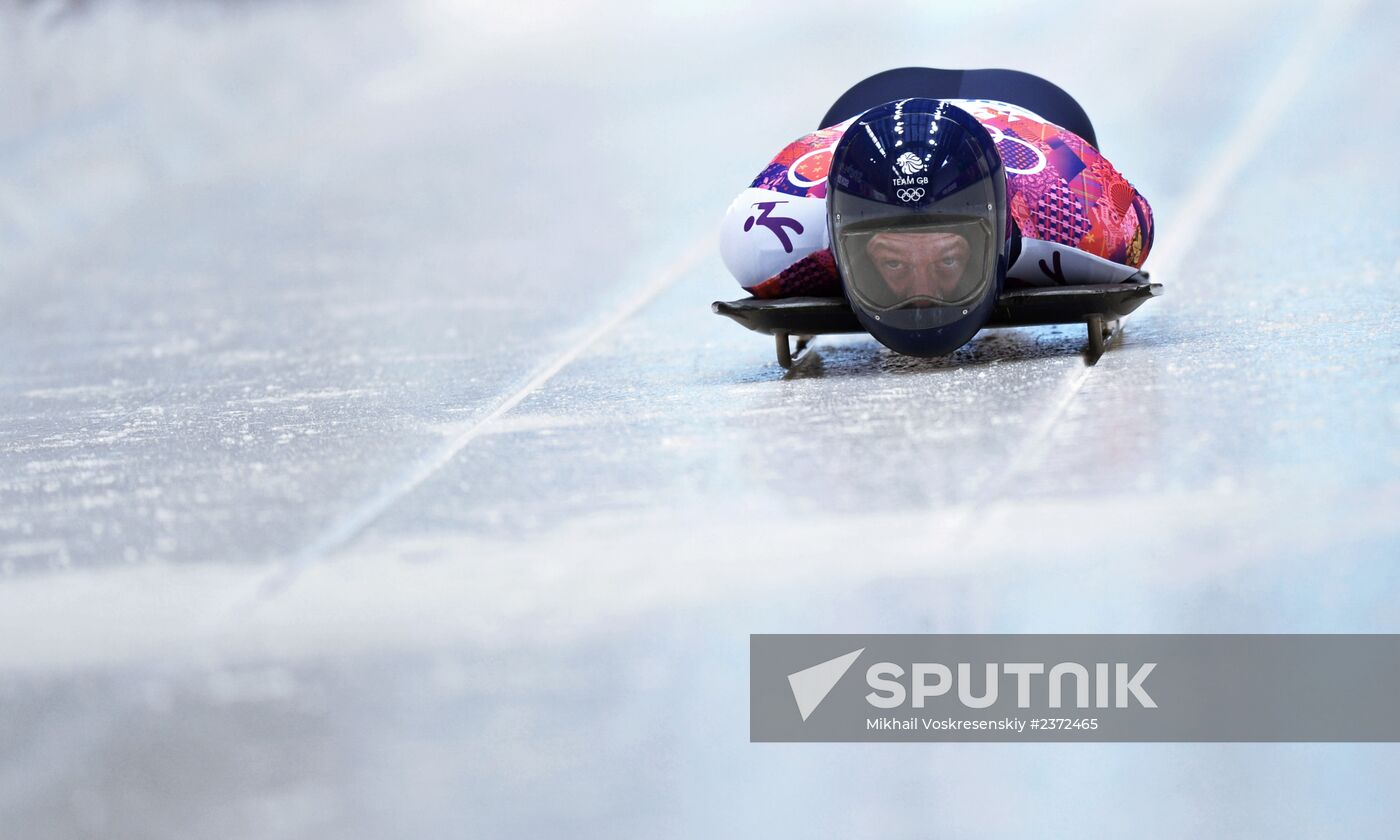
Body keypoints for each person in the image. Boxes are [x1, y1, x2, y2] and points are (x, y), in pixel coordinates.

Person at [720, 96, 1155, 329]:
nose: (923, 295)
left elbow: (1139, 218)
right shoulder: (767, 237)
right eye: (893, 261)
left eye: (948, 259)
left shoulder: (1083, 219)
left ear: (1000, 231)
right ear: (837, 235)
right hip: (849, 123)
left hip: (1027, 122)